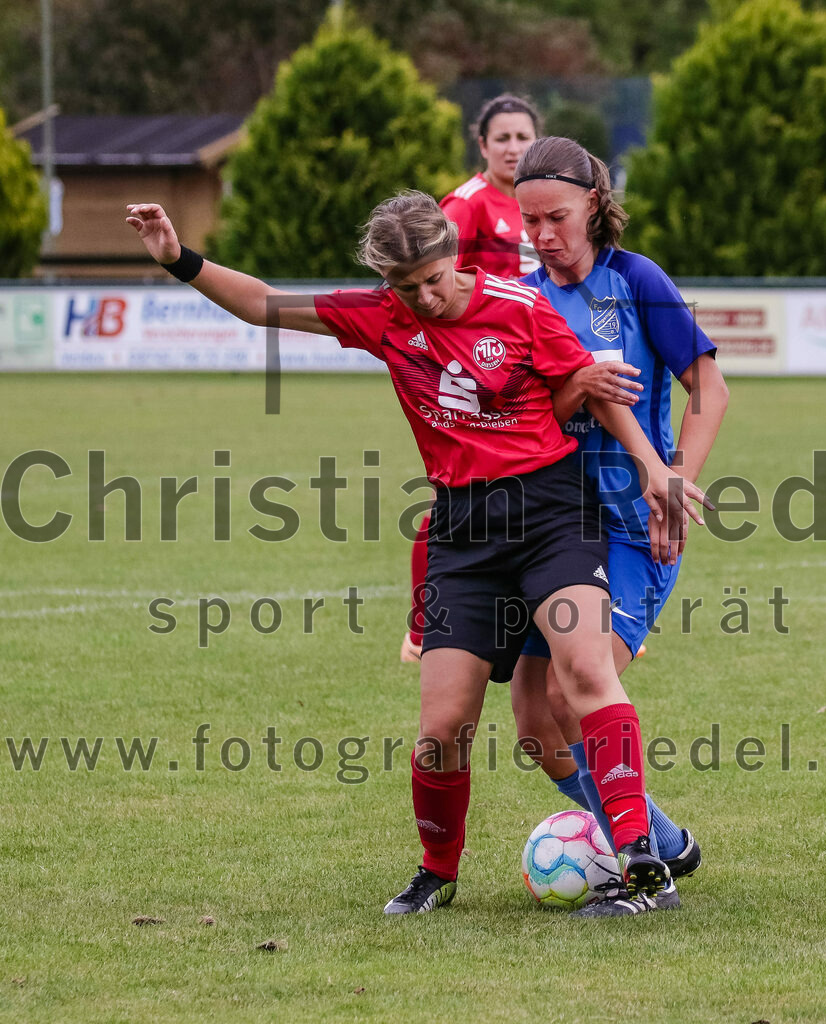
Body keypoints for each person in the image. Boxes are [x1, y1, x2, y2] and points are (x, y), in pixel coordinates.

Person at [126, 191, 709, 917]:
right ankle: (437, 872)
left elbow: (591, 393)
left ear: (452, 256)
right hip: (463, 535)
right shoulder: (381, 315)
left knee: (585, 673)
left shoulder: (520, 307)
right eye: (407, 287)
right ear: (387, 283)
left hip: (553, 517)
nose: (426, 298)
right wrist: (177, 258)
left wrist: (654, 467)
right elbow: (263, 304)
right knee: (441, 729)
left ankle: (642, 860)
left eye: (434, 279)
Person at [508, 137, 730, 917]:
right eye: (529, 221)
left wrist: (675, 479)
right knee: (535, 723)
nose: (543, 235)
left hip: (635, 527)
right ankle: (664, 840)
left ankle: (644, 876)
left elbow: (708, 386)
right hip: (553, 527)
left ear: (594, 205)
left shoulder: (636, 281)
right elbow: (532, 413)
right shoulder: (524, 298)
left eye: (556, 217)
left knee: (576, 689)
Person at [401, 94, 541, 665]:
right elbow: (429, 280)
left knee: (564, 487)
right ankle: (422, 628)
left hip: (535, 362)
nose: (513, 148)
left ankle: (586, 613)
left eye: (523, 137)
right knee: (455, 499)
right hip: (480, 373)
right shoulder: (466, 204)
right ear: (481, 145)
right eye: (501, 138)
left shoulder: (542, 203)